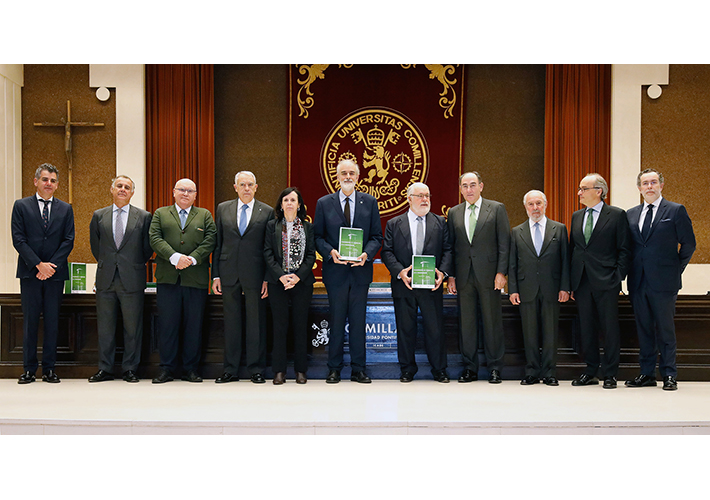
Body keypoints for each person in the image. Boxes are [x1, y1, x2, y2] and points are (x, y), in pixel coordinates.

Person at [625, 169, 695, 391]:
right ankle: (646, 373)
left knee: (665, 330)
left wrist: (676, 268)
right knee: (644, 329)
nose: (649, 187)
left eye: (653, 182)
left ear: (661, 185)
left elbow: (689, 244)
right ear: (639, 188)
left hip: (665, 282)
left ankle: (669, 374)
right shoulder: (631, 214)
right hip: (638, 281)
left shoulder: (675, 211)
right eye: (645, 183)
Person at [314, 159, 383, 383]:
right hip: (335, 272)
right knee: (335, 321)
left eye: (351, 173)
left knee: (358, 321)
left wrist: (367, 255)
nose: (347, 176)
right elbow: (317, 237)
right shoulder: (324, 203)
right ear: (337, 176)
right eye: (343, 173)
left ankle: (358, 369)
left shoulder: (370, 202)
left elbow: (376, 237)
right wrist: (330, 252)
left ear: (358, 176)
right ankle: (333, 368)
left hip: (360, 272)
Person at [381, 182, 452, 383]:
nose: (425, 199)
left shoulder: (440, 222)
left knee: (435, 329)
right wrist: (399, 272)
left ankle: (439, 369)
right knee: (405, 329)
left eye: (427, 195)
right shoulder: (394, 223)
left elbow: (447, 250)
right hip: (405, 285)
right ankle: (407, 369)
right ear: (409, 198)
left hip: (432, 285)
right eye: (420, 195)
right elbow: (387, 251)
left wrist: (443, 273)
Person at [12, 163, 75, 384]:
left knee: (52, 321)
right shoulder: (21, 206)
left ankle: (49, 369)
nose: (49, 183)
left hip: (55, 276)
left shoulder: (66, 209)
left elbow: (68, 241)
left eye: (53, 180)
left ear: (57, 185)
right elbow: (18, 239)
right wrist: (39, 265)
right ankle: (29, 369)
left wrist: (51, 267)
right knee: (30, 322)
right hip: (30, 273)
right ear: (36, 181)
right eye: (45, 179)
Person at [149, 178, 216, 383]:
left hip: (195, 279)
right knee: (168, 325)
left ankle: (191, 369)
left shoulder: (204, 215)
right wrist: (175, 257)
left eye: (190, 191)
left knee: (193, 326)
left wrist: (193, 259)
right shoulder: (160, 213)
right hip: (168, 279)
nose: (185, 193)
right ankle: (167, 369)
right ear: (173, 192)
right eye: (182, 190)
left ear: (195, 195)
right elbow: (154, 237)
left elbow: (211, 239)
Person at [88, 175, 153, 383]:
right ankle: (105, 369)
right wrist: (110, 263)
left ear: (132, 192)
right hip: (106, 279)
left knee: (132, 327)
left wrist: (129, 264)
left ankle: (130, 369)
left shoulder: (143, 217)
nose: (123, 189)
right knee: (105, 327)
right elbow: (95, 247)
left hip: (132, 278)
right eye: (119, 186)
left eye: (127, 187)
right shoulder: (99, 216)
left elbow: (147, 249)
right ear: (111, 189)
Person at [447, 171, 510, 383]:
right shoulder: (454, 212)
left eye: (473, 185)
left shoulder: (497, 208)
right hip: (464, 277)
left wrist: (502, 272)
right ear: (460, 189)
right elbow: (452, 247)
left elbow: (504, 243)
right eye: (464, 186)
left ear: (481, 186)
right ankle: (470, 368)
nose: (469, 190)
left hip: (490, 276)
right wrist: (452, 276)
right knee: (467, 324)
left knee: (492, 323)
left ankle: (495, 368)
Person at [569, 173, 631, 389]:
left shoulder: (616, 215)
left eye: (583, 189)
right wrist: (571, 282)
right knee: (586, 328)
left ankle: (610, 373)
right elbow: (574, 250)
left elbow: (624, 250)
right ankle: (591, 370)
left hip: (607, 281)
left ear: (599, 191)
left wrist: (617, 277)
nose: (579, 193)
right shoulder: (577, 216)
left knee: (609, 328)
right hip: (582, 282)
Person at [212, 171, 274, 384]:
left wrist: (267, 277)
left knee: (256, 323)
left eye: (250, 185)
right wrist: (216, 275)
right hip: (228, 273)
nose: (246, 188)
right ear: (235, 187)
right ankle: (230, 370)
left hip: (256, 275)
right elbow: (218, 244)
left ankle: (256, 369)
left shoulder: (266, 211)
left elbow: (269, 248)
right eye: (242, 184)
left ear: (256, 187)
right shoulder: (223, 208)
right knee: (231, 323)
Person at [508, 190, 570, 386]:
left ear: (546, 205)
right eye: (531, 204)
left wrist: (565, 287)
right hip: (526, 289)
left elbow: (565, 261)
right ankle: (532, 371)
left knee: (550, 332)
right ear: (525, 207)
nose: (535, 208)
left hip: (552, 289)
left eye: (538, 204)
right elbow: (512, 264)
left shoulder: (558, 229)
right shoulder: (516, 232)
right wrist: (513, 289)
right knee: (530, 332)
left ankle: (550, 372)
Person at [264, 187, 316, 384]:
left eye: (293, 200)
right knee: (279, 326)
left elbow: (311, 255)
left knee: (300, 326)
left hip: (301, 283)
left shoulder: (308, 227)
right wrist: (281, 276)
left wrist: (297, 277)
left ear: (299, 204)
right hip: (278, 283)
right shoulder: (272, 226)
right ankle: (279, 371)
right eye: (285, 200)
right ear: (281, 204)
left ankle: (301, 371)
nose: (289, 203)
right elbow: (267, 253)